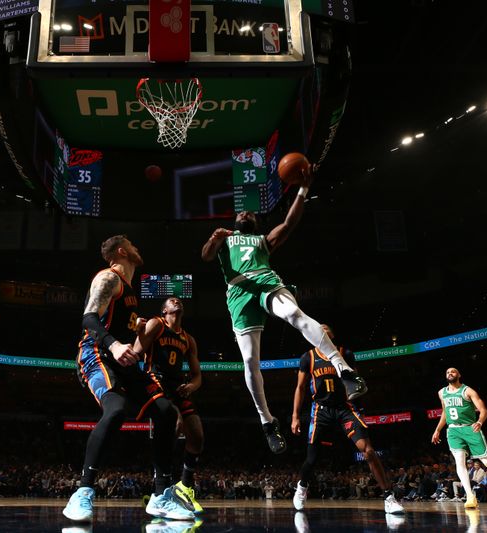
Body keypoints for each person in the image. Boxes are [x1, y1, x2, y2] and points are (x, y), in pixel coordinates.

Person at [201, 166, 367, 453]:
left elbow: (289, 223)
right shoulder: (225, 240)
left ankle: (346, 372)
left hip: (265, 282)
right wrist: (214, 239)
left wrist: (303, 188)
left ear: (255, 222)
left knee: (293, 314)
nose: (244, 214)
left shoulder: (263, 241)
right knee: (251, 361)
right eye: (240, 213)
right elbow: (205, 256)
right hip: (238, 294)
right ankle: (267, 422)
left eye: (249, 214)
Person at [63, 235, 194, 522]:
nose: (138, 248)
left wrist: (137, 329)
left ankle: (161, 495)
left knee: (164, 412)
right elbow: (88, 318)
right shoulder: (108, 278)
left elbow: (122, 325)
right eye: (133, 245)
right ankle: (83, 491)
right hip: (96, 353)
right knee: (117, 409)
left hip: (124, 359)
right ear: (122, 251)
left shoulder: (130, 291)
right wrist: (113, 343)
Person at [290, 325, 403, 515]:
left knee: (368, 451)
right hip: (321, 410)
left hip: (345, 408)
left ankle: (389, 497)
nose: (324, 331)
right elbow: (300, 388)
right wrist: (295, 416)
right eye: (320, 329)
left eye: (327, 329)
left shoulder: (345, 354)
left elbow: (355, 383)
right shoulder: (308, 357)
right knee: (312, 457)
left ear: (333, 335)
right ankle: (302, 486)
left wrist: (360, 408)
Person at [137, 297, 205, 514]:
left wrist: (192, 387)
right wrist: (139, 331)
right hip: (155, 380)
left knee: (197, 434)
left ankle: (184, 485)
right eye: (171, 301)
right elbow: (138, 350)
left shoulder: (188, 339)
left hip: (177, 386)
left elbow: (197, 376)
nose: (176, 301)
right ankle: (160, 484)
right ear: (165, 310)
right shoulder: (157, 324)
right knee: (174, 422)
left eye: (178, 300)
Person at [431, 367, 487, 509]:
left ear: (459, 374)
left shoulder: (468, 391)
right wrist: (437, 430)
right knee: (459, 462)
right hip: (453, 430)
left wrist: (479, 422)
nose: (450, 374)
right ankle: (470, 496)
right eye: (447, 372)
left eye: (453, 371)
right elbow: (445, 412)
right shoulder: (442, 393)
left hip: (470, 427)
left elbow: (484, 410)